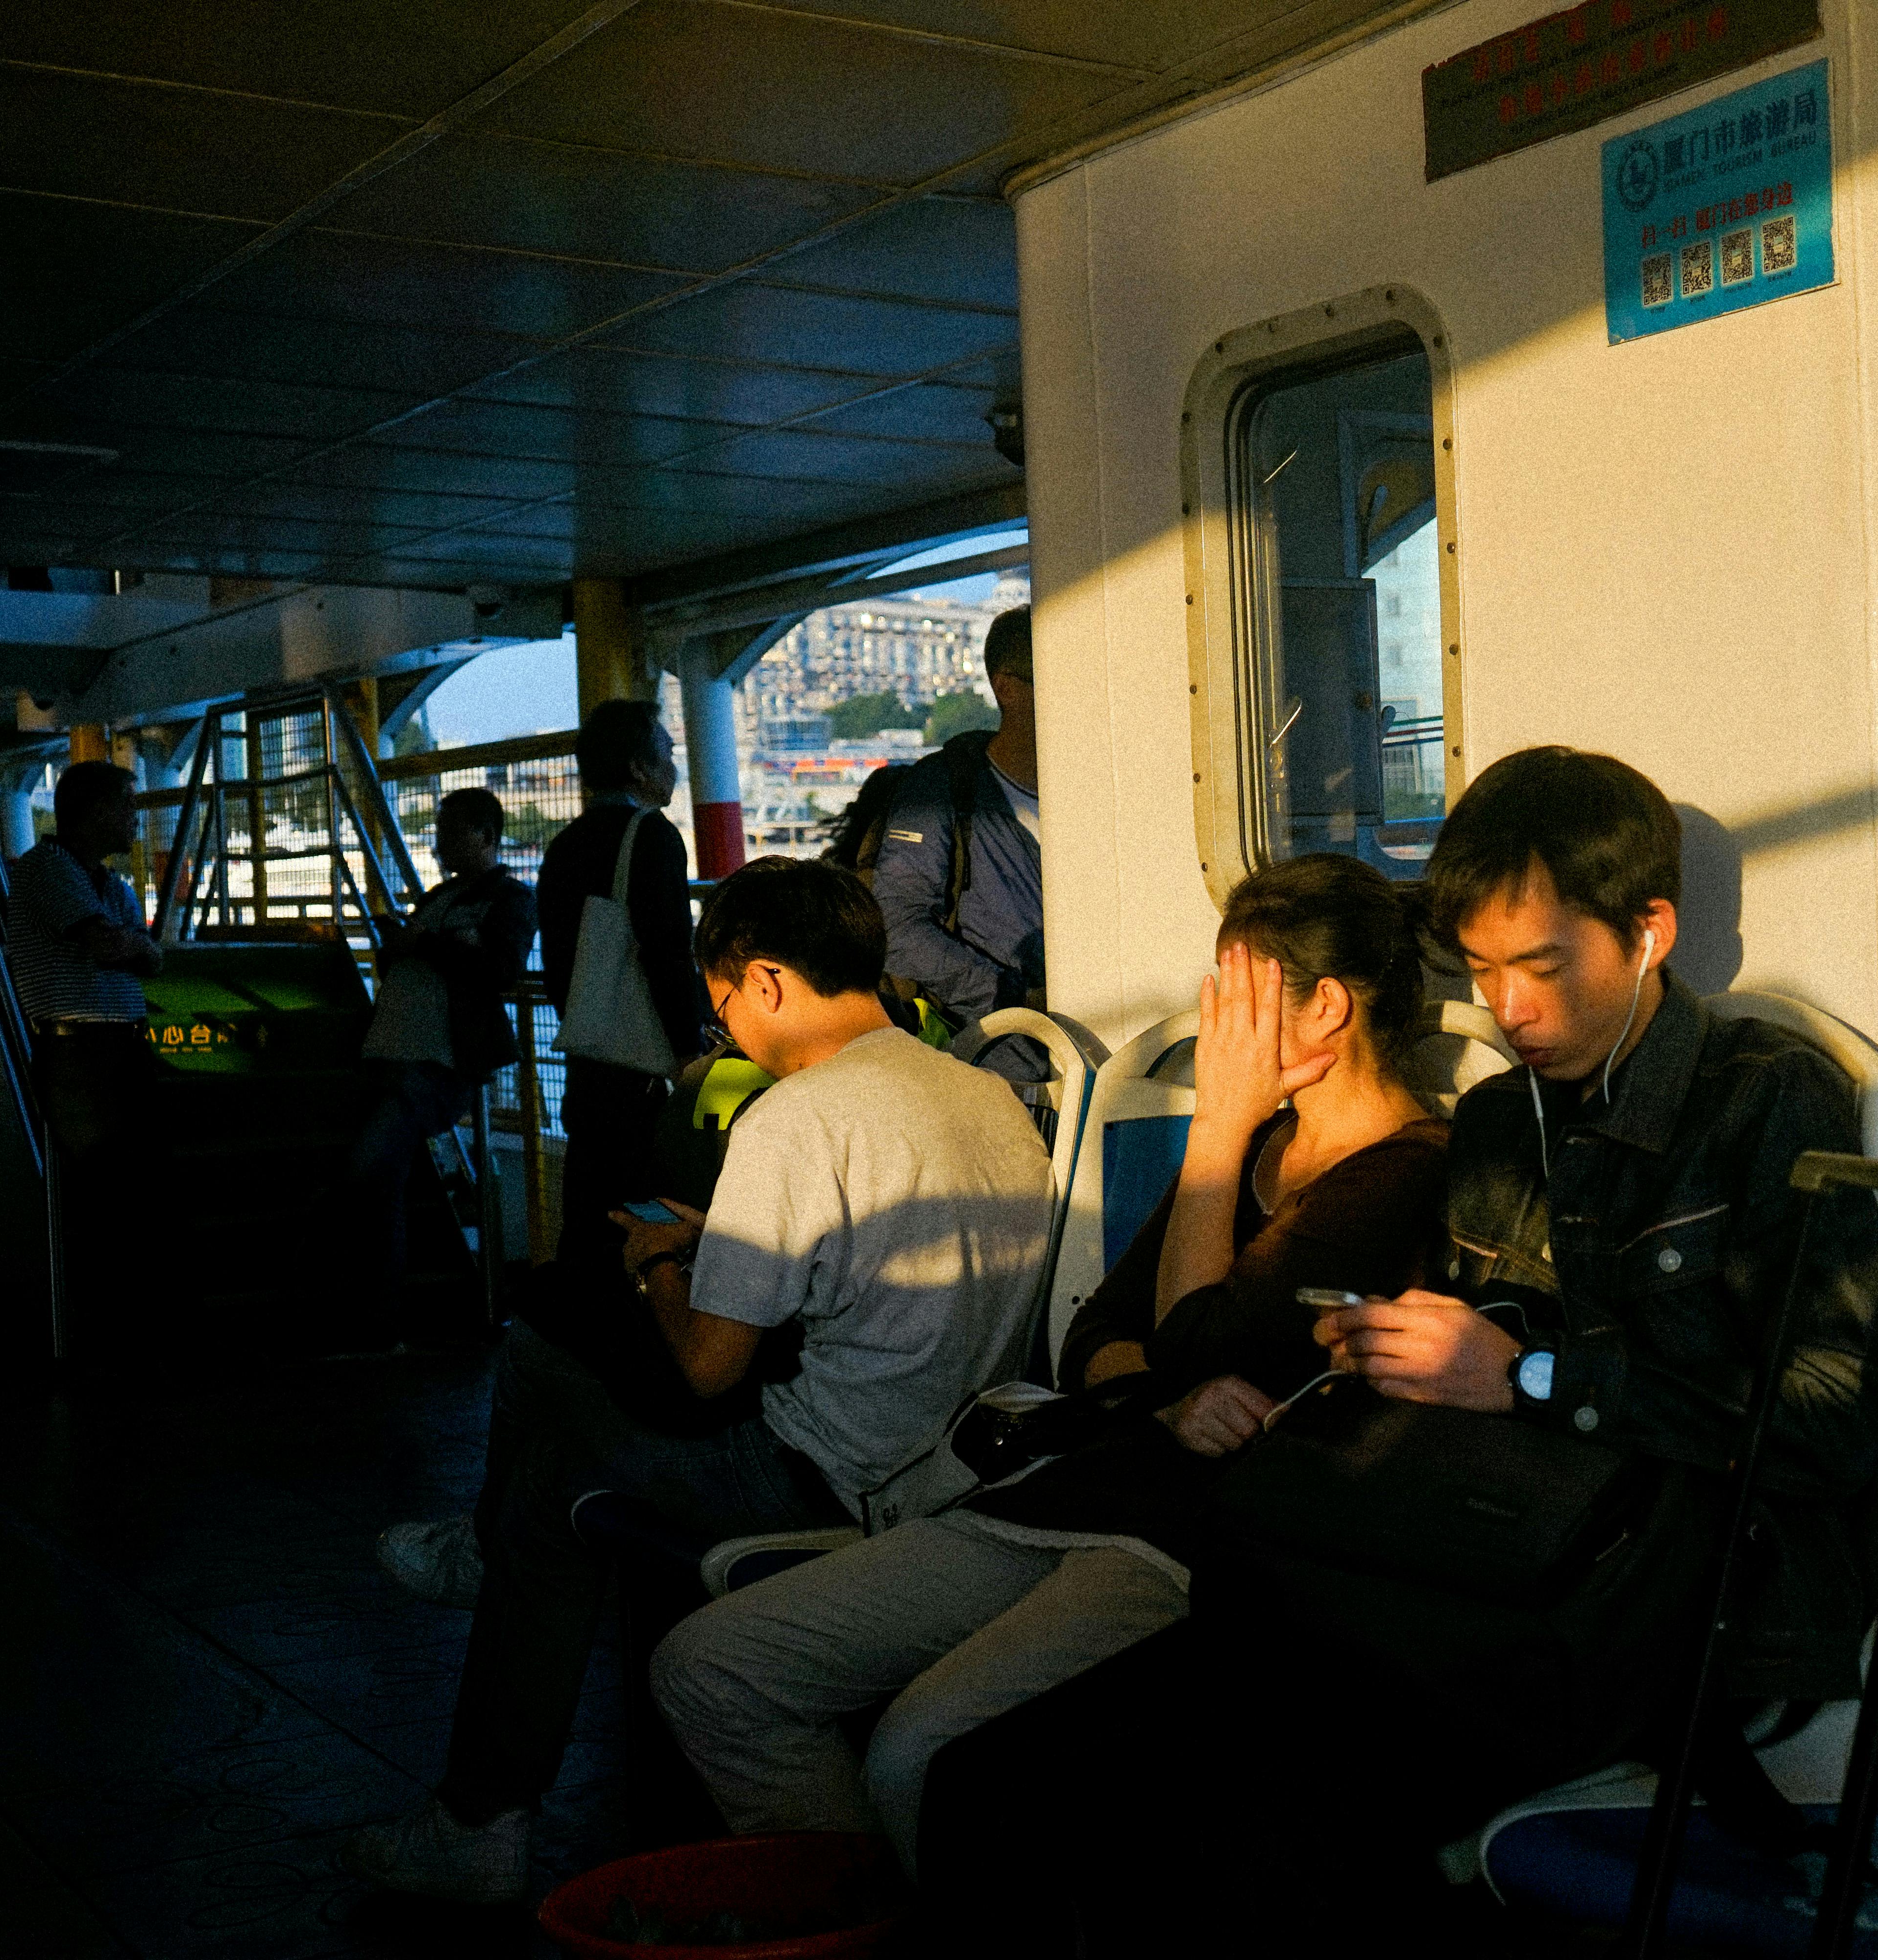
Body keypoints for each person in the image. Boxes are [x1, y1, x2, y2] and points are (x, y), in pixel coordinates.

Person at [914, 749, 1878, 1956]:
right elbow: (1471, 1353)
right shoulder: (1493, 1120)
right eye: (1485, 973)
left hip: (1650, 1606)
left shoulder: (1766, 1098)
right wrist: (1374, 1361)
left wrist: (1529, 1377)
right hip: (1451, 1579)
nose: (1514, 1009)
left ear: (1649, 932)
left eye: (1542, 966)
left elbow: (1831, 1417)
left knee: (1228, 1837)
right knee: (990, 1784)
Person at [650, 854, 1449, 1871]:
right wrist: (1162, 1388)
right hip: (1067, 1487)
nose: (1213, 1026)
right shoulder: (1258, 1153)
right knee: (711, 1664)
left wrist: (1213, 1131)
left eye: (1231, 996)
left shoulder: (1401, 1172)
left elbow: (1196, 1339)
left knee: (923, 1750)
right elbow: (1102, 1336)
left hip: (1182, 1537)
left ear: (1326, 1006)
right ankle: (849, 1916)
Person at [347, 857, 1054, 1905]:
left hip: (827, 1476)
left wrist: (665, 1264)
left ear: (765, 980)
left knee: (548, 1423)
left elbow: (709, 1364)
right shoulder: (982, 1092)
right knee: (555, 1377)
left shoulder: (794, 1117)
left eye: (724, 1002)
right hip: (953, 1447)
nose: (728, 1030)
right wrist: (730, 1243)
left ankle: (479, 1810)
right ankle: (481, 1600)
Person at [342, 787, 535, 1338]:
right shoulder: (442, 898)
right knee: (378, 1184)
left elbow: (498, 968)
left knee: (370, 1175)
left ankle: (376, 1322)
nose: (439, 843)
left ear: (486, 835)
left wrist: (423, 944)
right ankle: (377, 1321)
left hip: (433, 1064)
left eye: (450, 831)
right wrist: (421, 943)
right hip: (395, 1057)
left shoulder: (511, 899)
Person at [2, 759, 165, 1346]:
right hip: (79, 1053)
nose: (135, 820)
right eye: (128, 807)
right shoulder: (47, 868)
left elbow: (142, 953)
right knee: (100, 1193)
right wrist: (131, 945)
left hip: (111, 1047)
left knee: (127, 1190)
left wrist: (130, 946)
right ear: (95, 811)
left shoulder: (104, 883)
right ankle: (101, 1327)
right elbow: (112, 946)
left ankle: (114, 1325)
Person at [538, 698, 704, 1271]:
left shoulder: (564, 846)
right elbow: (668, 954)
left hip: (589, 1060)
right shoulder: (651, 836)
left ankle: (575, 1326)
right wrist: (688, 1052)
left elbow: (563, 964)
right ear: (638, 767)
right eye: (667, 752)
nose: (674, 765)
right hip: (645, 1074)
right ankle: (648, 1321)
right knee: (651, 1205)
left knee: (589, 1209)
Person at [873, 605, 1041, 1042]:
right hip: (999, 1054)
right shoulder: (940, 788)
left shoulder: (1099, 790)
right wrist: (1016, 998)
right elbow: (898, 927)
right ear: (1007, 688)